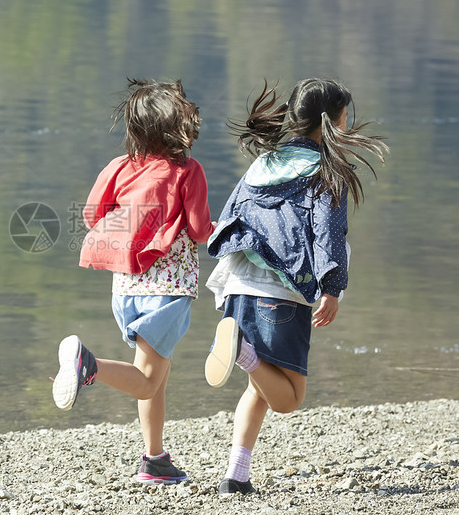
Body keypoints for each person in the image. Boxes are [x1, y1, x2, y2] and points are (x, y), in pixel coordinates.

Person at [204, 78, 388, 495]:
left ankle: (237, 476)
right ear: (329, 124)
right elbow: (328, 234)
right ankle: (244, 353)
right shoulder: (327, 169)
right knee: (288, 398)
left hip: (237, 285)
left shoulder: (264, 163)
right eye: (345, 118)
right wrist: (332, 286)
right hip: (281, 293)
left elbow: (232, 214)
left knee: (260, 387)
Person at [52, 78, 213, 485]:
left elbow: (92, 215)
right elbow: (198, 230)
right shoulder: (187, 171)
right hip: (168, 292)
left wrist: (133, 219)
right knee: (145, 382)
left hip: (126, 290)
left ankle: (154, 458)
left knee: (157, 377)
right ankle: (88, 365)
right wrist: (230, 229)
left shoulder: (120, 167)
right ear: (177, 129)